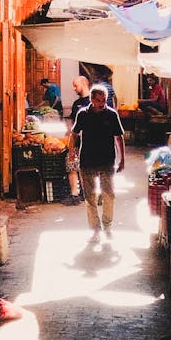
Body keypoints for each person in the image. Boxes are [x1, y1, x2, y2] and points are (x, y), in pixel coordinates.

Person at [69, 83, 125, 242]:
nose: (103, 103)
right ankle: (95, 229)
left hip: (107, 161)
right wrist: (71, 153)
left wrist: (122, 160)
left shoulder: (112, 114)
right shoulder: (83, 114)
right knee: (90, 198)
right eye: (99, 100)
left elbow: (119, 138)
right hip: (87, 161)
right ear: (92, 100)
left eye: (105, 100)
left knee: (109, 195)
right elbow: (74, 134)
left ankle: (107, 226)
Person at [62, 75, 90, 205]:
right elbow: (73, 124)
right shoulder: (76, 104)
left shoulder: (94, 101)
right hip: (77, 140)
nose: (74, 88)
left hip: (92, 141)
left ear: (84, 84)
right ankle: (75, 195)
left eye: (76, 85)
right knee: (71, 163)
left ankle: (91, 193)